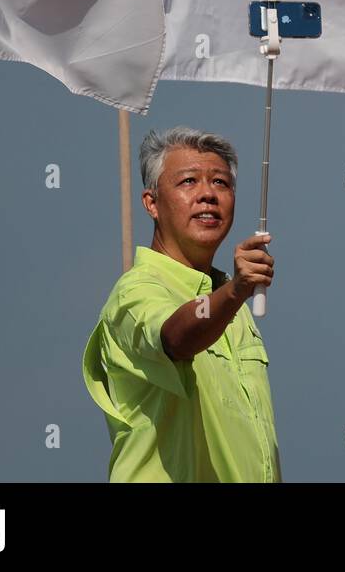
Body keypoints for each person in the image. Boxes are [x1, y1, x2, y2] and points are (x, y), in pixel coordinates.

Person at [82, 126, 281, 482]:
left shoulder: (232, 304)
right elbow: (175, 338)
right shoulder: (136, 291)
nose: (208, 194)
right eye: (189, 181)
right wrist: (235, 292)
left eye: (221, 183)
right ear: (152, 203)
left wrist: (232, 294)